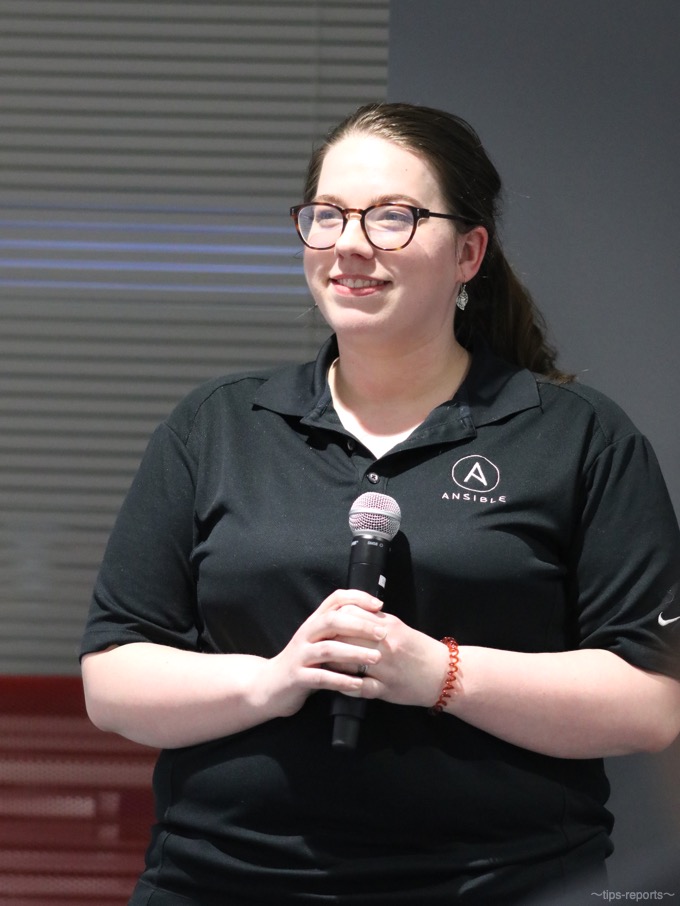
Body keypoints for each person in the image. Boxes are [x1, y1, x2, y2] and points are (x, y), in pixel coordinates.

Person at [80, 102, 680, 905]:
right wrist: (273, 681)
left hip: (505, 885)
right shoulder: (216, 427)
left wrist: (438, 672)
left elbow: (650, 702)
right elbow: (114, 679)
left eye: (393, 216)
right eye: (327, 215)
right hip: (222, 883)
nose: (350, 244)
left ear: (468, 253)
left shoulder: (578, 437)